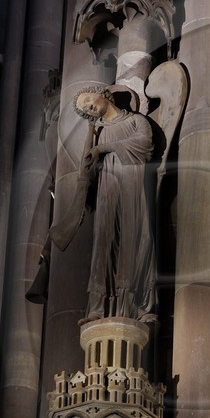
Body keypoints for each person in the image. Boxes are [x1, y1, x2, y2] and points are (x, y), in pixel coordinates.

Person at [74, 86, 156, 322]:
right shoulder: (97, 133)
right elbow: (86, 169)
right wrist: (94, 142)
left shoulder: (136, 121)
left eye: (88, 99)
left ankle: (139, 306)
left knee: (138, 238)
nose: (88, 106)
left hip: (133, 183)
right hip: (108, 188)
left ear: (103, 93)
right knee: (104, 241)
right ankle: (98, 308)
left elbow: (145, 144)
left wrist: (104, 148)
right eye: (84, 108)